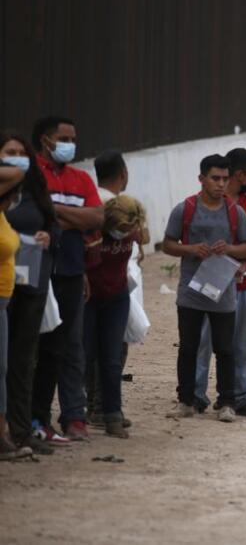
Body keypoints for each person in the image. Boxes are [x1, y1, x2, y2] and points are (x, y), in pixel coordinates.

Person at [163, 154, 246, 423]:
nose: (220, 184)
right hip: (191, 292)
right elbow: (167, 244)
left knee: (225, 348)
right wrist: (190, 249)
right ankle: (186, 400)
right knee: (188, 347)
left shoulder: (234, 212)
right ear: (201, 178)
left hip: (223, 291)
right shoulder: (185, 209)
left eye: (225, 179)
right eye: (215, 178)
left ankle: (226, 402)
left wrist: (228, 249)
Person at [32, 116, 104, 441]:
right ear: (45, 140)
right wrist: (71, 217)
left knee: (72, 345)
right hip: (35, 272)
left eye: (73, 138)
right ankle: (36, 418)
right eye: (64, 138)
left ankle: (74, 416)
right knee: (36, 346)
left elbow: (97, 217)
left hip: (72, 272)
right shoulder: (29, 173)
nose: (70, 145)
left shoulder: (82, 179)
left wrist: (54, 211)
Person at [194, 148, 246, 417]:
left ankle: (244, 394)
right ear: (240, 174)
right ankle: (195, 393)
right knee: (204, 339)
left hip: (243, 283)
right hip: (210, 281)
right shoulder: (205, 204)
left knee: (242, 341)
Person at [83, 151, 149, 438]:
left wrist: (136, 233)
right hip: (90, 295)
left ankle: (111, 414)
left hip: (117, 293)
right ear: (123, 172)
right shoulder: (96, 215)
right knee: (87, 353)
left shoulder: (128, 210)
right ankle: (87, 411)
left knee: (110, 355)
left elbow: (144, 236)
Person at [2, 132, 59, 454]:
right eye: (9, 152)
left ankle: (22, 430)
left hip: (31, 281)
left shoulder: (36, 191)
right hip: (2, 286)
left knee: (24, 359)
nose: (17, 157)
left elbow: (54, 224)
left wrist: (48, 235)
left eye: (22, 153)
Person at [0, 146, 28, 459]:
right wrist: (9, 166)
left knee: (2, 368)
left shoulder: (3, 215)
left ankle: (2, 436)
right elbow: (17, 172)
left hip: (4, 300)